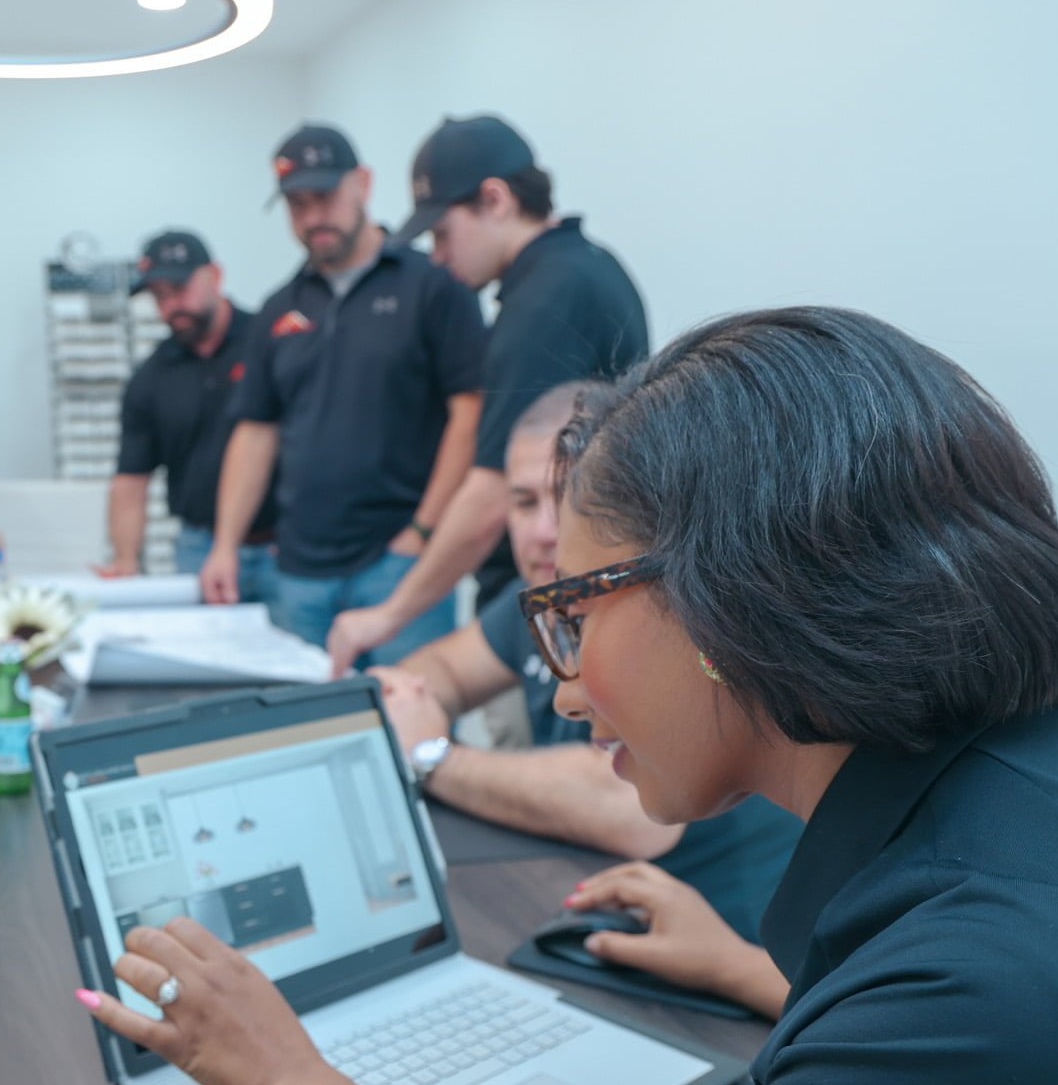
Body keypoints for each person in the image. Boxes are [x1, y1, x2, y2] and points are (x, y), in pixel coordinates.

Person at [79, 308, 1058, 1085]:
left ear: (723, 599)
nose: (562, 683)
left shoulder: (960, 1008)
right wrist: (747, 969)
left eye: (571, 613)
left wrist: (286, 1074)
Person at [374, 381, 798, 940]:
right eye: (524, 502)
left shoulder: (671, 614)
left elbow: (626, 808)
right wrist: (410, 702)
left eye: (569, 497)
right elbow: (438, 671)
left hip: (728, 943)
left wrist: (431, 755)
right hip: (599, 911)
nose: (546, 531)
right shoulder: (538, 599)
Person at [330, 115, 648, 674]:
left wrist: (389, 614)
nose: (437, 254)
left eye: (442, 232)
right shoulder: (589, 269)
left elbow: (492, 494)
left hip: (559, 602)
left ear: (494, 199)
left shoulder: (541, 306)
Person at [204, 124, 487, 666]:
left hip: (399, 563)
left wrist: (424, 531)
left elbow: (469, 412)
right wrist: (224, 545)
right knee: (308, 731)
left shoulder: (432, 286)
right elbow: (256, 431)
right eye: (297, 205)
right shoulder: (278, 308)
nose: (313, 218)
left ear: (363, 184)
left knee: (411, 725)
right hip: (298, 571)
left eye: (325, 197)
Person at [96, 230, 278, 599]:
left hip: (283, 544)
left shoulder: (270, 343)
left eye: (179, 289)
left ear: (215, 276)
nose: (171, 306)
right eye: (158, 296)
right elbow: (131, 481)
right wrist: (126, 560)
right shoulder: (150, 378)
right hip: (200, 546)